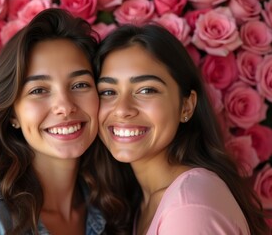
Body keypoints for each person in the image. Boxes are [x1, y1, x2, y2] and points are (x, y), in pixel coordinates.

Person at [0, 8, 135, 235]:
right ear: (13, 114)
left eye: (80, 85)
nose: (65, 106)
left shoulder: (115, 205)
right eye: (39, 90)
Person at [94, 24, 270, 235]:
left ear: (186, 105)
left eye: (146, 90)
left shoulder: (188, 207)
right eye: (107, 91)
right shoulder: (144, 201)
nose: (122, 110)